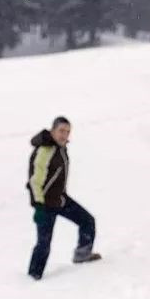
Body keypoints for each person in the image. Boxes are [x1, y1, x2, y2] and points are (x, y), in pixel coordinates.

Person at [26, 116, 100, 280]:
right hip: (45, 205)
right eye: (61, 131)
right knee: (43, 243)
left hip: (60, 200)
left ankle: (82, 254)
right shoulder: (45, 150)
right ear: (52, 131)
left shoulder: (59, 148)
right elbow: (35, 181)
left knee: (87, 221)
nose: (64, 135)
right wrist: (38, 205)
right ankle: (33, 275)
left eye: (67, 132)